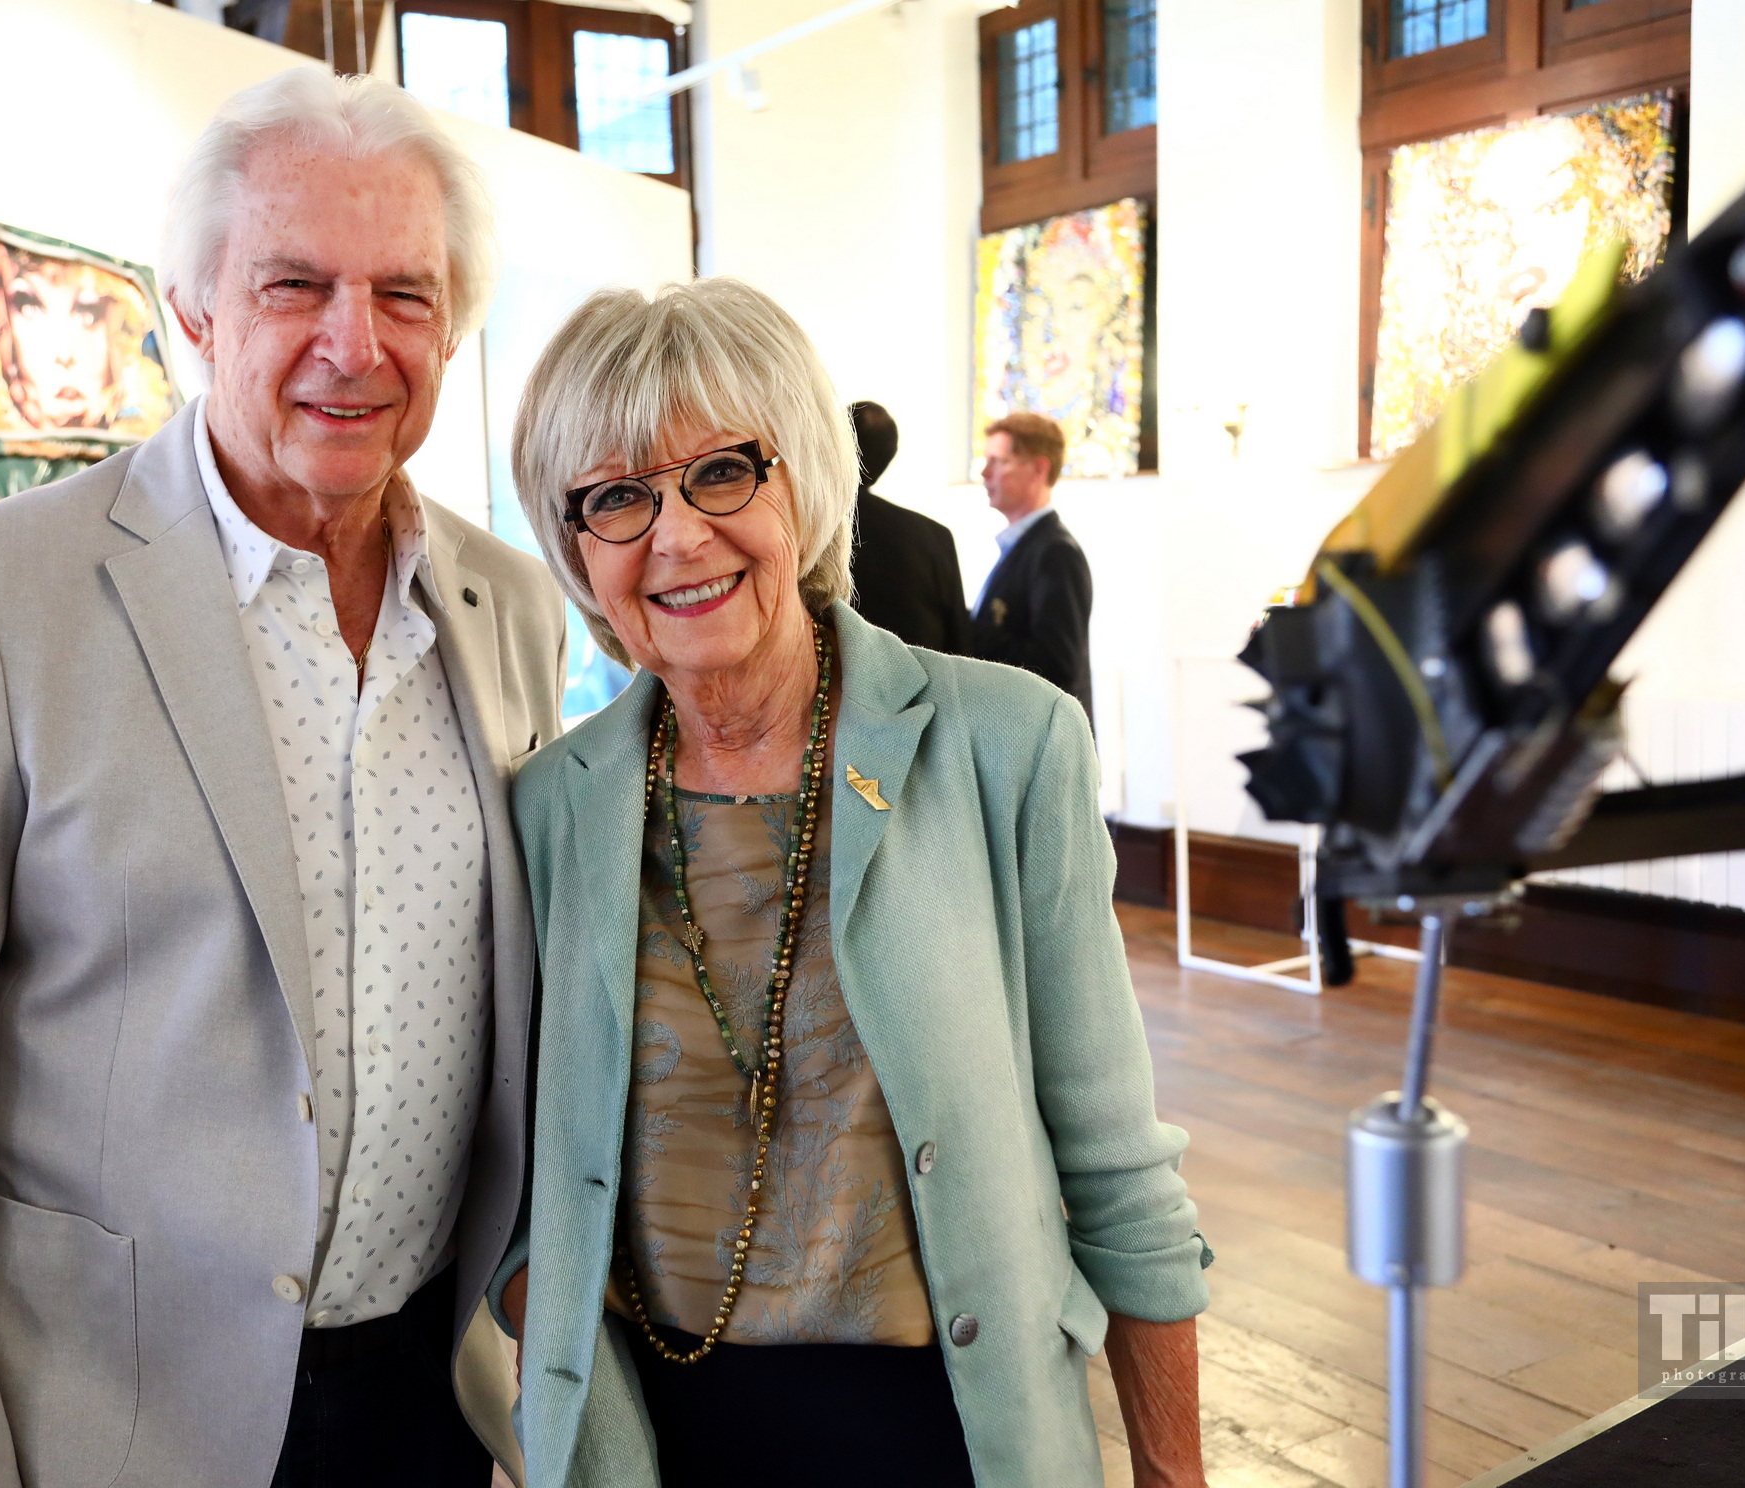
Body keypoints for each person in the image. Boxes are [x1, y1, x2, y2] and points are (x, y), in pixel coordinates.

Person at [0, 69, 565, 1487]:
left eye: (404, 293)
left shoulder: (507, 606)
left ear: (453, 327)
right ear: (195, 312)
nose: (355, 343)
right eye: (295, 285)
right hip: (117, 1426)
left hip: (430, 1397)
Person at [492, 279, 1209, 1488]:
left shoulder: (1008, 745)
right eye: (617, 497)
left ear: (809, 481)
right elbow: (522, 1166)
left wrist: (1172, 1474)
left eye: (723, 472)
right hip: (657, 1439)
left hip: (946, 1433)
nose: (678, 536)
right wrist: (543, 1306)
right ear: (574, 545)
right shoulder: (553, 806)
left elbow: (1114, 1158)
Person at [972, 411, 1094, 723]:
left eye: (998, 461)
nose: (985, 472)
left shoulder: (1055, 553)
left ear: (1039, 469)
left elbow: (1055, 665)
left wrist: (967, 629)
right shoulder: (1026, 546)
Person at [845, 400, 969, 653]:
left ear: (831, 445)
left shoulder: (805, 528)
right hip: (920, 675)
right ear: (890, 455)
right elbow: (960, 644)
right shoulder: (935, 537)